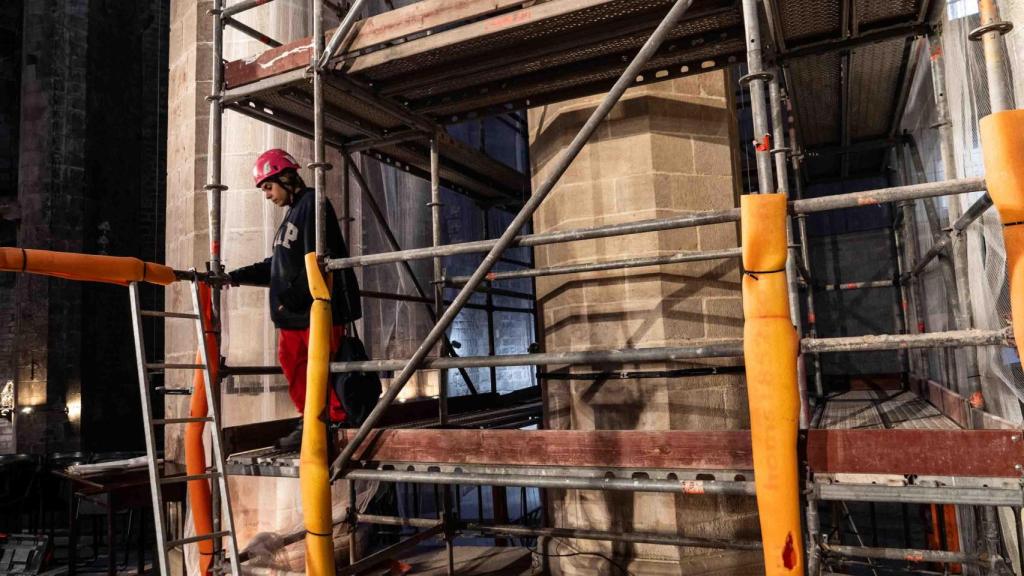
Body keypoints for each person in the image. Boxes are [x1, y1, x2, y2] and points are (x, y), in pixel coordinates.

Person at [226, 148, 361, 449]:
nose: (267, 196)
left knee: (321, 367)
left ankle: (333, 422)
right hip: (295, 314)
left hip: (312, 310)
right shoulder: (293, 215)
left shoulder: (313, 204)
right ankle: (312, 421)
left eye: (268, 187)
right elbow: (277, 265)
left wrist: (291, 298)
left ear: (286, 178)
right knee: (296, 365)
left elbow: (320, 259)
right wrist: (236, 275)